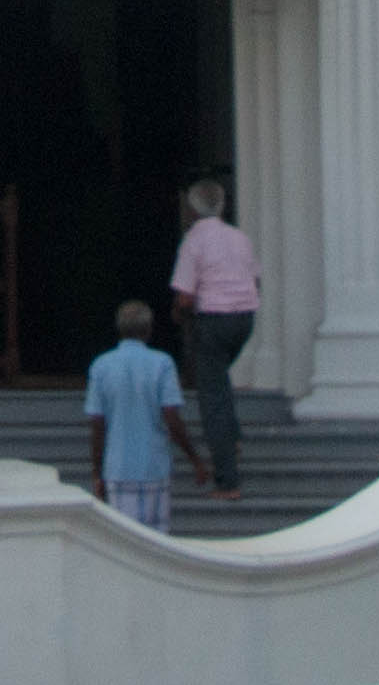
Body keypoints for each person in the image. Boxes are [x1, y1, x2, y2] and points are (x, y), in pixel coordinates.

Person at [165, 175, 260, 494]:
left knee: (213, 397)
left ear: (192, 211)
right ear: (223, 206)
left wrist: (177, 316)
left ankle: (227, 478)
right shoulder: (239, 237)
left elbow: (185, 296)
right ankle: (232, 440)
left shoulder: (194, 241)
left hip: (213, 320)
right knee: (220, 382)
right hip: (245, 319)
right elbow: (255, 279)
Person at [82, 298, 206, 527]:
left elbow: (98, 425)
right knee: (157, 540)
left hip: (118, 468)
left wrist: (97, 471)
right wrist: (194, 459)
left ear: (119, 329)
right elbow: (172, 418)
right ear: (148, 330)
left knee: (125, 539)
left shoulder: (101, 366)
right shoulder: (162, 364)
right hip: (154, 466)